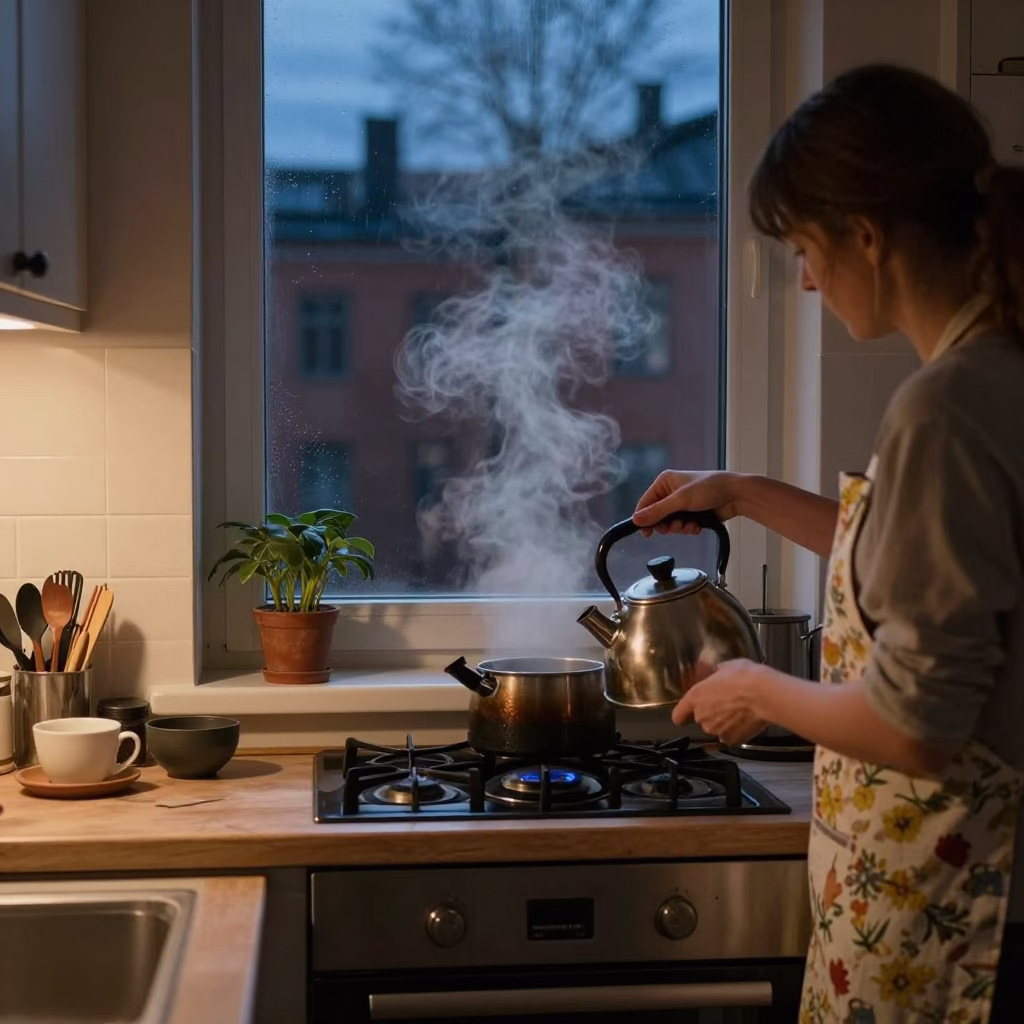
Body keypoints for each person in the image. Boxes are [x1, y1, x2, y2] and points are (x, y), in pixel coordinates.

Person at [633, 64, 1024, 1024]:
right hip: (940, 891)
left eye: (807, 248)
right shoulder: (996, 370)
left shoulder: (946, 407)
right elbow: (922, 565)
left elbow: (919, 726)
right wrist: (747, 494)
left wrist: (756, 691)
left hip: (960, 919)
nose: (805, 279)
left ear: (865, 235)